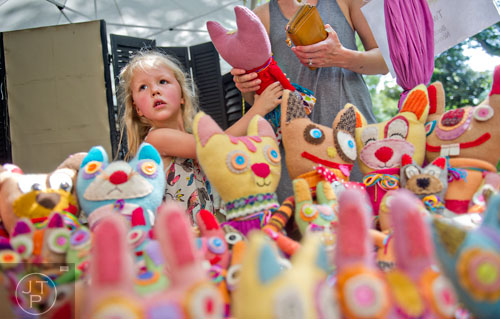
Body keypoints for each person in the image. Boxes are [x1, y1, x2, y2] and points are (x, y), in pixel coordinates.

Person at [232, 0, 388, 202]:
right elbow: (256, 100)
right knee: (304, 224)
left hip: (353, 133)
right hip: (296, 148)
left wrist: (341, 57)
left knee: (367, 215)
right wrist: (247, 86)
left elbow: (385, 62)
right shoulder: (260, 15)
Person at [118, 50, 283, 224]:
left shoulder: (190, 136)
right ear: (137, 108)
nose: (154, 90)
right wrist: (259, 109)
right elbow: (216, 146)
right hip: (180, 239)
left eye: (162, 81)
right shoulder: (156, 139)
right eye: (143, 87)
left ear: (182, 95)